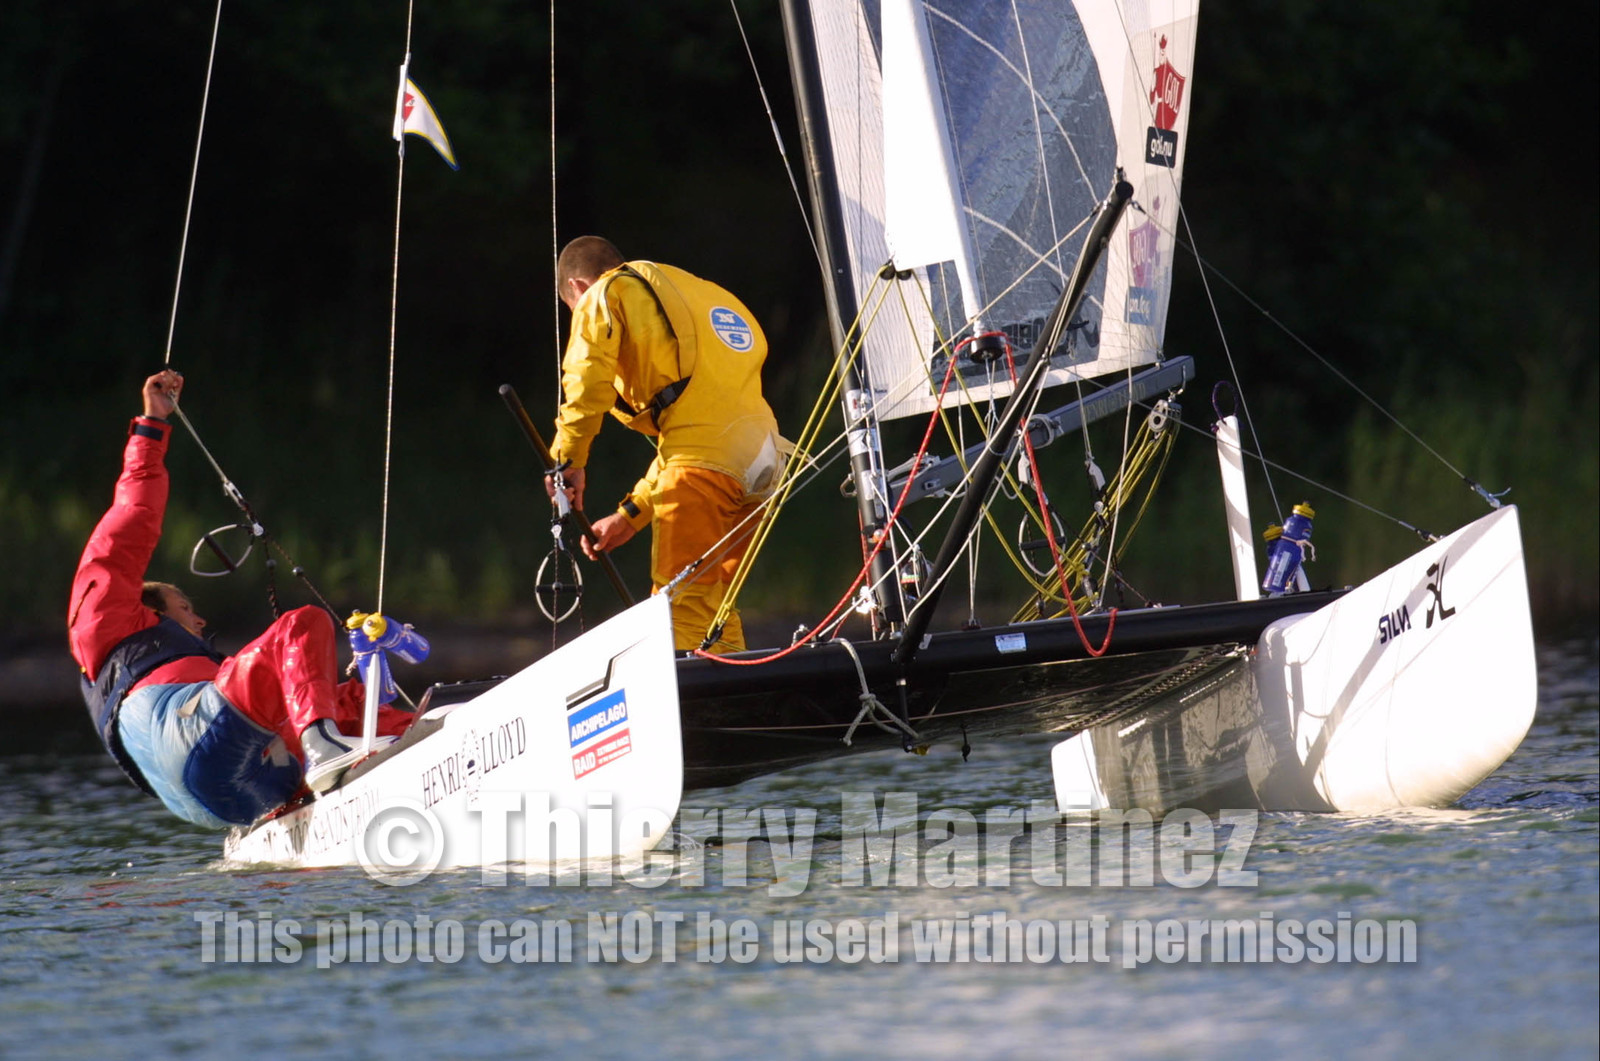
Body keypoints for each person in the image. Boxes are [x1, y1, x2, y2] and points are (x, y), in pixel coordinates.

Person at [68, 369, 415, 829]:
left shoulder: (199, 677)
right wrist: (152, 426)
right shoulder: (106, 627)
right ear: (149, 612)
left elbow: (303, 703)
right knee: (302, 625)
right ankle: (323, 751)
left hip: (229, 798)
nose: (198, 619)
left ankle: (407, 737)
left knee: (344, 708)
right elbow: (131, 520)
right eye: (185, 608)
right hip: (196, 744)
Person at [548, 236, 784, 652]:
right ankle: (745, 703)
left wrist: (568, 460)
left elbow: (586, 380)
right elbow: (698, 429)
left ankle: (696, 711)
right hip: (766, 460)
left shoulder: (602, 293)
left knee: (680, 613)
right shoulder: (701, 293)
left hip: (705, 466)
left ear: (577, 289)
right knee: (713, 609)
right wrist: (630, 515)